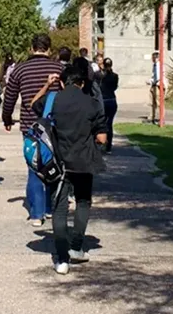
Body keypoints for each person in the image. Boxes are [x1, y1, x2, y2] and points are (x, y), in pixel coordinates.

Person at [32, 66, 107, 275]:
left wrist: (47, 85)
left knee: (59, 208)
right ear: (82, 83)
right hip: (83, 162)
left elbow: (32, 105)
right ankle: (76, 246)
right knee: (83, 202)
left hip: (58, 164)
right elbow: (102, 138)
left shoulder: (53, 100)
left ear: (63, 83)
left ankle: (62, 259)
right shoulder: (92, 104)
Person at [3, 33, 64, 227]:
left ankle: (37, 213)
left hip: (30, 125)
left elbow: (10, 97)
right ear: (49, 49)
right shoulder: (59, 68)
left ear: (31, 48)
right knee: (52, 163)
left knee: (34, 166)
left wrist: (7, 118)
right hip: (54, 124)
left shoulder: (20, 70)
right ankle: (49, 207)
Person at [99, 58, 119, 153]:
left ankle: (102, 143)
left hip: (103, 100)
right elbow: (115, 87)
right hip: (112, 100)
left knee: (101, 123)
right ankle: (108, 146)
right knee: (109, 124)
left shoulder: (100, 76)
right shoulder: (115, 76)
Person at [149, 51, 162, 122]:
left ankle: (161, 118)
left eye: (153, 58)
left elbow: (158, 77)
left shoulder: (159, 65)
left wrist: (152, 81)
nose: (152, 59)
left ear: (156, 58)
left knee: (159, 102)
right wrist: (150, 81)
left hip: (157, 85)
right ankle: (152, 117)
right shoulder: (154, 65)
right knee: (152, 102)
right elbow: (154, 75)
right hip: (153, 85)